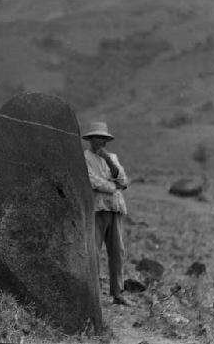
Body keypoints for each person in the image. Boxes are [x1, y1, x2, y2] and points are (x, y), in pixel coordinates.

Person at [82, 121, 130, 306]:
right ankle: (92, 293)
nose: (99, 141)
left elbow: (124, 180)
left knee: (117, 251)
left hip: (115, 208)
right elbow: (92, 181)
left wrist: (109, 162)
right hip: (97, 208)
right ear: (90, 140)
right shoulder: (85, 158)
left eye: (102, 138)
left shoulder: (113, 158)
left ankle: (117, 293)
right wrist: (113, 186)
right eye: (96, 137)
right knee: (94, 250)